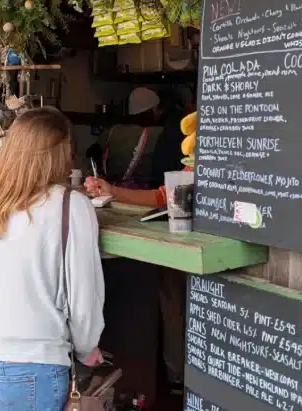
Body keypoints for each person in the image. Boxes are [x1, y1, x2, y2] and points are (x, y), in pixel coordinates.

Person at [0, 107, 105, 411]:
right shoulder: (71, 206)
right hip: (31, 372)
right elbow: (83, 299)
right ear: (59, 152)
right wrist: (87, 348)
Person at [85, 88, 190, 394]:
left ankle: (177, 377)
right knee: (172, 301)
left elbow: (163, 195)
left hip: (186, 232)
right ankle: (177, 377)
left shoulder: (172, 135)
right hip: (171, 225)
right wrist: (112, 190)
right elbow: (165, 195)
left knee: (174, 301)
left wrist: (113, 190)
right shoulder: (180, 142)